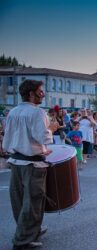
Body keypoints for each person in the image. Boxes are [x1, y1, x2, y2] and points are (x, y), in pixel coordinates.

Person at [2, 79, 58, 249]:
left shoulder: (13, 112)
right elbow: (44, 137)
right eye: (40, 91)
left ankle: (31, 230)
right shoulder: (37, 112)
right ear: (32, 93)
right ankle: (24, 241)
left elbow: (9, 138)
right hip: (32, 165)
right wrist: (53, 128)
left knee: (18, 201)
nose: (43, 94)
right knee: (33, 202)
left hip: (16, 161)